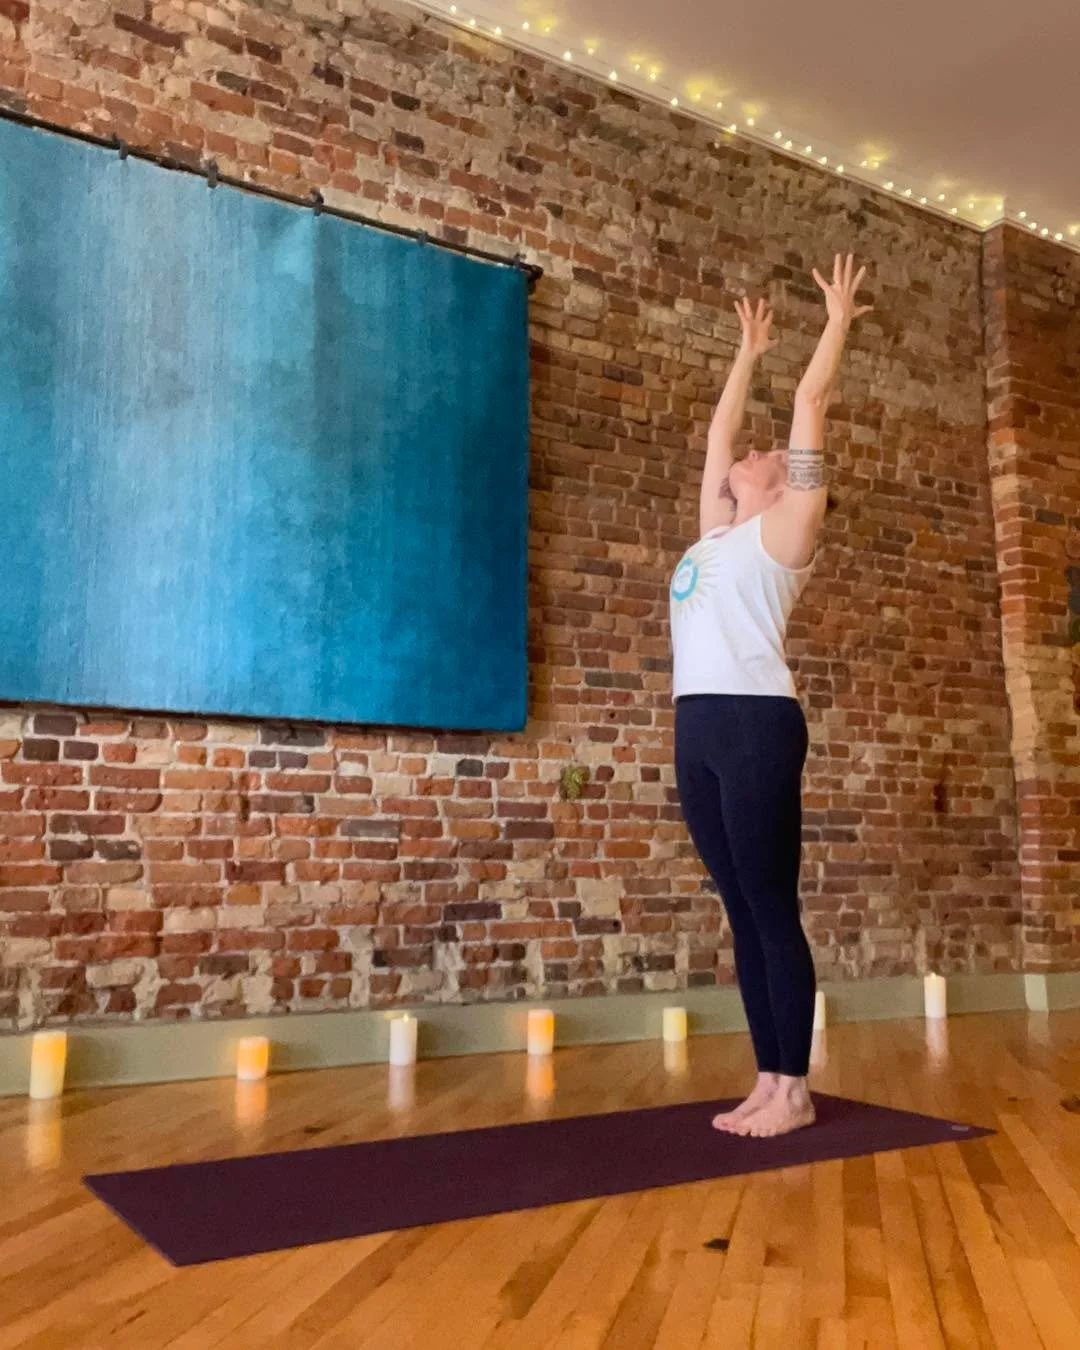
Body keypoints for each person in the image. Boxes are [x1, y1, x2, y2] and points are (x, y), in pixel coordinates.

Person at [669, 254, 872, 1138]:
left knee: (771, 901)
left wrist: (834, 324)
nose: (744, 457)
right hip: (698, 720)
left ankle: (795, 1088)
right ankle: (767, 1076)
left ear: (786, 483)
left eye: (763, 458)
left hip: (755, 722)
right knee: (739, 904)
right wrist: (744, 353)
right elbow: (718, 442)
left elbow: (809, 410)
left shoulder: (787, 531)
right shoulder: (717, 536)